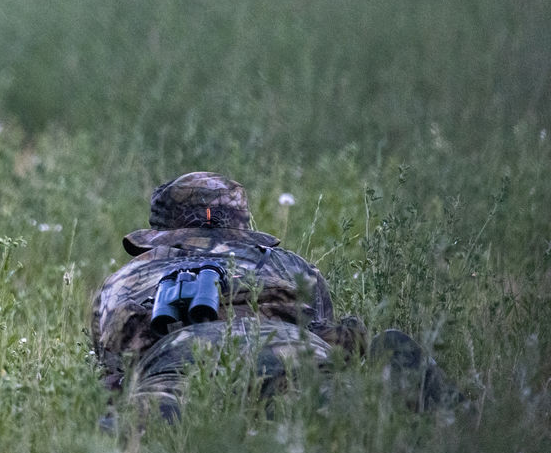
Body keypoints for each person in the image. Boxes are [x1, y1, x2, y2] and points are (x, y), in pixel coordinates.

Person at [92, 171, 459, 423]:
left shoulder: (127, 277)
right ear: (242, 224)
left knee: (136, 427)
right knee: (350, 404)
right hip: (294, 356)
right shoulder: (293, 267)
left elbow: (114, 371)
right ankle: (458, 424)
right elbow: (333, 338)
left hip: (180, 362)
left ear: (160, 231)